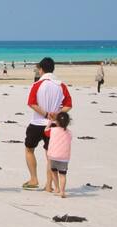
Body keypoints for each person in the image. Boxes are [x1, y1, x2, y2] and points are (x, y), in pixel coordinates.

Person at [22, 57, 72, 190]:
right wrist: (57, 113)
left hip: (37, 122)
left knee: (29, 149)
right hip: (54, 125)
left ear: (41, 69)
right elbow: (68, 105)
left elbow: (32, 103)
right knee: (50, 154)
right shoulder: (60, 85)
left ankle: (34, 178)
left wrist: (45, 113)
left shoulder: (37, 84)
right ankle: (49, 185)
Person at [43, 112, 72, 198]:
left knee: (54, 172)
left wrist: (51, 122)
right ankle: (62, 191)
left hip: (53, 155)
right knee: (62, 175)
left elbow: (45, 131)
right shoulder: (69, 133)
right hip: (64, 157)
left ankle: (56, 188)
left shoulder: (53, 130)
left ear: (57, 122)